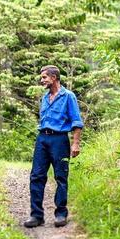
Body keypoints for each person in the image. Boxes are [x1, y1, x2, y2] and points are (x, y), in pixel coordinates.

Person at [24, 65, 83, 228]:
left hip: (59, 140)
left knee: (61, 177)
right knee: (36, 176)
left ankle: (61, 214)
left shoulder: (68, 96)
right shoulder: (45, 97)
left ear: (54, 77)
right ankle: (36, 216)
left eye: (44, 77)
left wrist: (75, 143)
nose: (41, 80)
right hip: (42, 138)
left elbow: (77, 122)